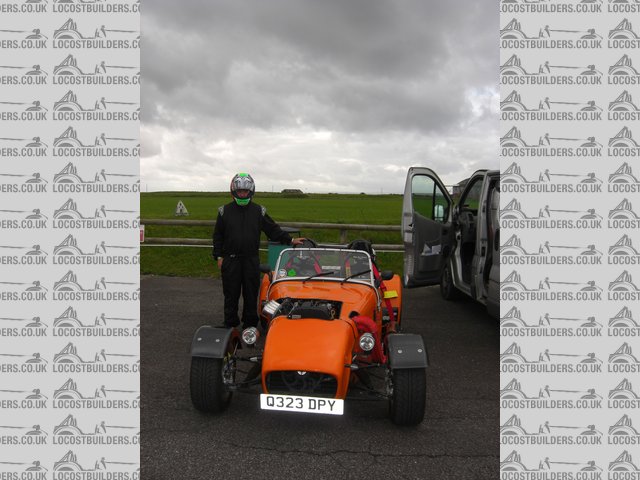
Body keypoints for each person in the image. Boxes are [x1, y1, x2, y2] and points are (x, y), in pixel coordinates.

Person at [213, 173, 304, 329]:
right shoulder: (224, 211)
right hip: (230, 260)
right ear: (234, 191)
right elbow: (218, 236)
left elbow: (272, 229)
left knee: (251, 293)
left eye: (245, 191)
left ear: (251, 191)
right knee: (230, 294)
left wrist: (290, 240)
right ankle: (230, 323)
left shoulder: (258, 211)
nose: (242, 194)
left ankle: (249, 324)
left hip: (250, 260)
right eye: (240, 191)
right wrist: (219, 256)